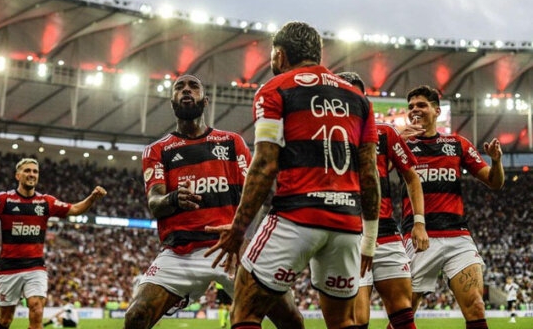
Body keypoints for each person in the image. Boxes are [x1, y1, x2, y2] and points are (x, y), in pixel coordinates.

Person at [206, 21, 382, 329]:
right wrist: (368, 240)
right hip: (347, 226)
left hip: (296, 218)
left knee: (245, 311)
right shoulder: (360, 101)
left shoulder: (275, 90)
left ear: (279, 55)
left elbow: (265, 164)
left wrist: (238, 228)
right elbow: (369, 174)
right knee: (342, 322)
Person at [124, 74, 303, 329]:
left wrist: (244, 239)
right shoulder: (157, 150)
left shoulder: (232, 143)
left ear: (205, 100)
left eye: (193, 86)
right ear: (172, 102)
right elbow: (155, 203)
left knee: (291, 318)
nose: (186, 90)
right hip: (180, 253)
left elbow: (254, 196)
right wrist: (173, 199)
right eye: (179, 88)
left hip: (230, 247)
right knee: (136, 316)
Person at [400, 85, 504, 329]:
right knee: (403, 313)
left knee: (477, 306)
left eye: (421, 105)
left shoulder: (457, 144)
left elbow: (494, 182)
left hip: (458, 237)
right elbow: (374, 172)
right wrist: (396, 141)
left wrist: (496, 162)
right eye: (411, 106)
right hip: (419, 238)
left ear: (437, 111)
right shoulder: (401, 144)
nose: (415, 109)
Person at [0, 158, 107, 329]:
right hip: (9, 268)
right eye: (27, 171)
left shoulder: (46, 202)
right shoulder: (4, 200)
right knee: (5, 319)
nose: (32, 174)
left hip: (35, 267)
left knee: (37, 309)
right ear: (18, 175)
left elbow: (74, 209)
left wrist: (92, 198)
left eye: (35, 171)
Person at [338, 72, 429, 329]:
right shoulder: (327, 136)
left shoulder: (385, 133)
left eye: (356, 96)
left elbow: (412, 178)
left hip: (386, 232)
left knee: (403, 314)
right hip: (349, 234)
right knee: (359, 318)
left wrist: (419, 222)